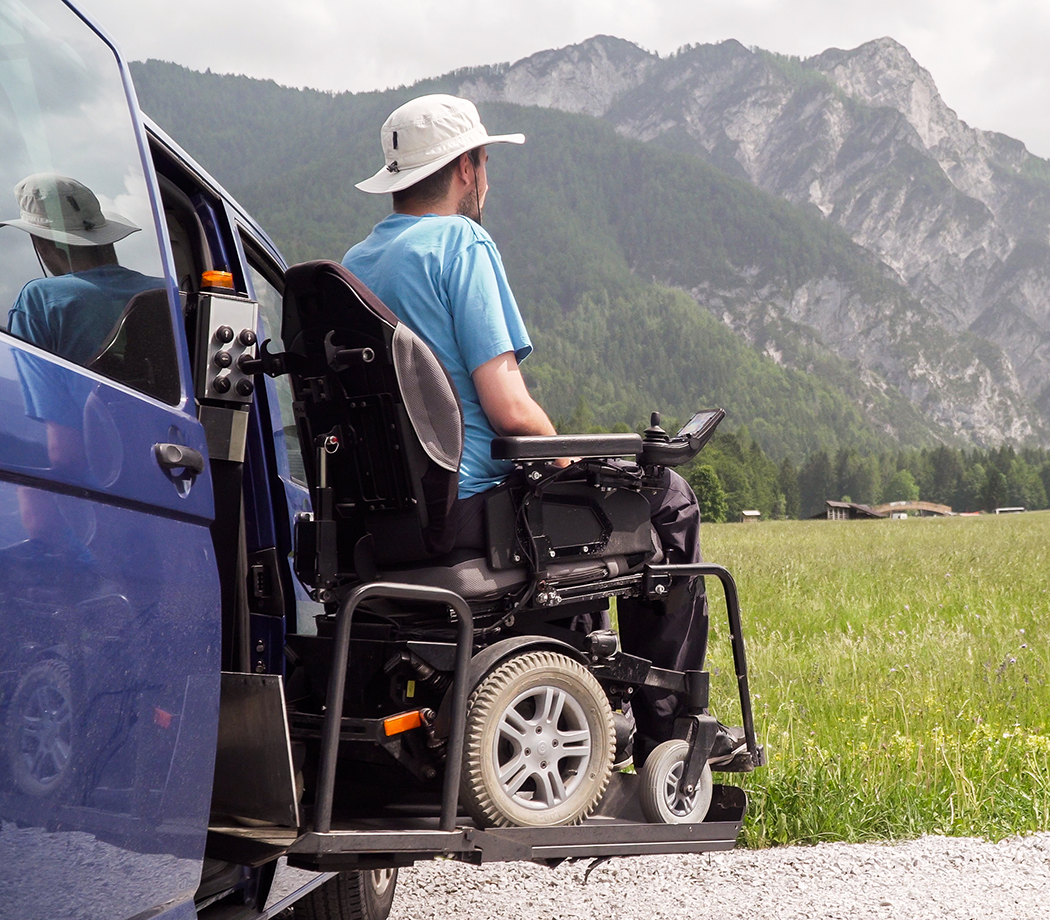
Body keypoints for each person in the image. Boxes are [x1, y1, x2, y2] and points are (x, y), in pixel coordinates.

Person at [342, 94, 742, 767]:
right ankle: (669, 733)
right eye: (485, 161)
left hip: (382, 528)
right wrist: (576, 461)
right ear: (468, 167)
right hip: (465, 512)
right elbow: (509, 409)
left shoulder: (354, 265)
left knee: (599, 504)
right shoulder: (460, 242)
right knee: (665, 495)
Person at [2, 173, 161, 364]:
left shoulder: (40, 298)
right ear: (105, 235)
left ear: (40, 243)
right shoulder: (166, 291)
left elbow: (30, 389)